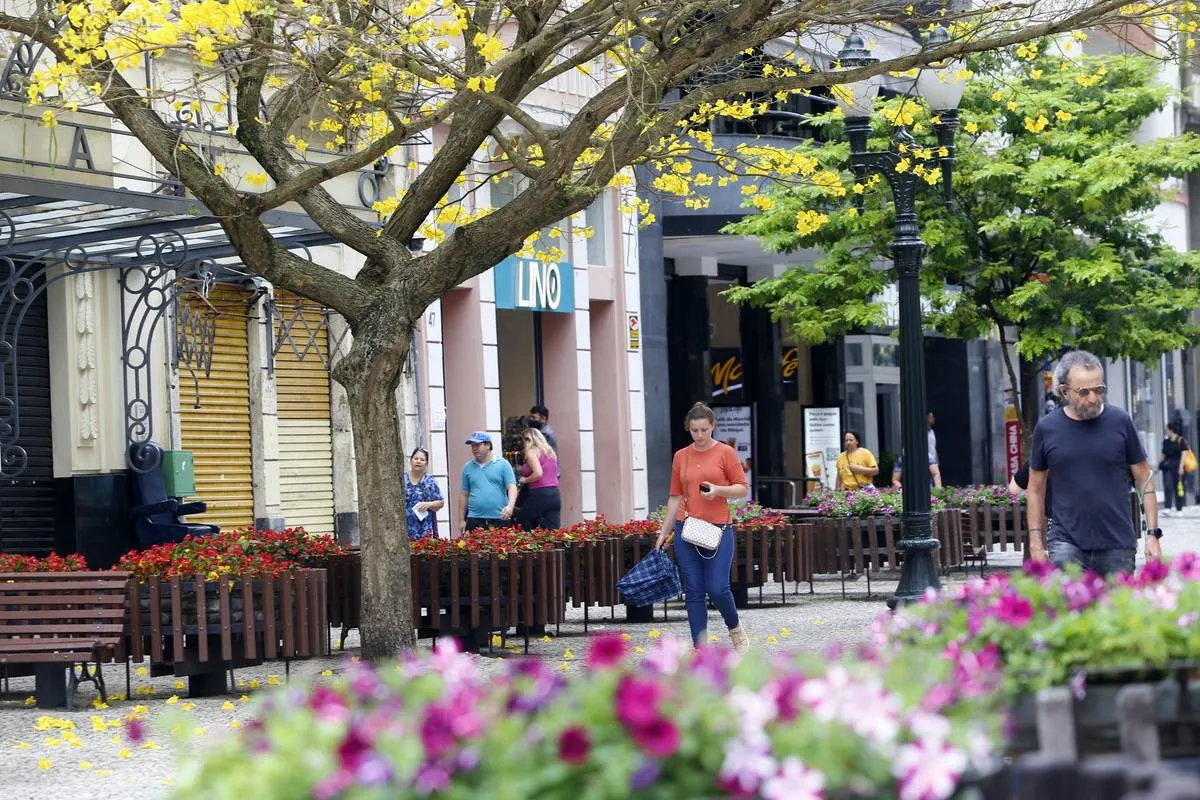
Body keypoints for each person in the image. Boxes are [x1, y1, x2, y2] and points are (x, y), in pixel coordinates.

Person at [1027, 350, 1161, 577]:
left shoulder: (1120, 422)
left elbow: (1145, 481)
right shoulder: (1047, 429)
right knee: (1068, 610)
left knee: (1116, 612)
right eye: (1084, 391)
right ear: (1064, 392)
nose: (1093, 398)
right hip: (1065, 543)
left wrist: (1153, 534)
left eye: (1099, 390)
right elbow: (1035, 490)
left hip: (1117, 544)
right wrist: (1035, 542)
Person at [654, 402, 750, 652]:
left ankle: (735, 627)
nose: (699, 435)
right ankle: (701, 650)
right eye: (694, 430)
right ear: (688, 428)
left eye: (704, 430)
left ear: (713, 427)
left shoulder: (725, 453)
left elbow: (742, 487)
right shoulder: (681, 456)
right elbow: (675, 496)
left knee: (718, 588)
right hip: (687, 528)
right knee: (694, 591)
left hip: (719, 528)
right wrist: (664, 532)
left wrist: (719, 490)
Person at [458, 431, 518, 533]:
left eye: (477, 445)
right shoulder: (467, 467)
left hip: (499, 518)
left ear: (488, 445)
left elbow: (512, 487)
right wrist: (461, 520)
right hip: (474, 518)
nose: (474, 448)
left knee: (500, 548)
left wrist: (510, 506)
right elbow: (464, 494)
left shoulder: (503, 464)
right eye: (472, 445)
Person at [516, 428, 561, 530]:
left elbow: (538, 473)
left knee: (521, 521)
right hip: (555, 493)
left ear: (528, 440)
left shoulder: (532, 452)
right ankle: (555, 545)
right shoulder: (550, 452)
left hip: (540, 492)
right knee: (552, 529)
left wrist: (524, 480)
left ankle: (528, 544)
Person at [405, 447, 445, 540]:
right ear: (411, 461)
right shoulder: (402, 479)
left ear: (426, 463)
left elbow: (440, 502)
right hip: (405, 528)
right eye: (416, 459)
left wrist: (428, 504)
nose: (418, 461)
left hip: (425, 527)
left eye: (422, 460)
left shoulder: (430, 481)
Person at [1159, 422, 1188, 516]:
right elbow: (1163, 455)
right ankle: (1168, 508)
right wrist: (1156, 466)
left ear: (1171, 430)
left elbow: (1184, 453)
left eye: (1166, 430)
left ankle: (1179, 509)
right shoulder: (1166, 441)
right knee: (1167, 486)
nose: (1165, 432)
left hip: (1177, 467)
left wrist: (1181, 466)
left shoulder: (1180, 440)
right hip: (1167, 467)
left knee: (1178, 487)